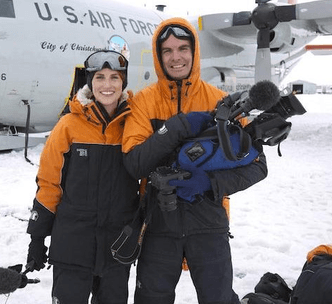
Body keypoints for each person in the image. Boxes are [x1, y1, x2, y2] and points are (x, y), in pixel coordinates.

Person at [122, 17, 268, 304]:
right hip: (157, 223)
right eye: (167, 51)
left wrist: (211, 183)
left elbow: (258, 165)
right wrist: (176, 128)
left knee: (219, 299)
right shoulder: (143, 102)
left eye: (183, 48)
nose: (176, 57)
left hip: (209, 223)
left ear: (194, 52)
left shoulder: (220, 102)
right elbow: (134, 164)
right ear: (158, 56)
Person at [26, 50, 139, 304]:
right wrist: (37, 237)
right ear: (90, 82)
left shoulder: (133, 125)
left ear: (123, 83)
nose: (107, 85)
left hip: (117, 247)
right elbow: (48, 183)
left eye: (114, 78)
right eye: (99, 77)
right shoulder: (68, 126)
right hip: (72, 246)